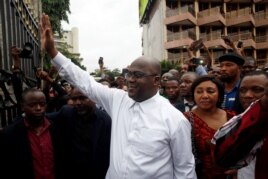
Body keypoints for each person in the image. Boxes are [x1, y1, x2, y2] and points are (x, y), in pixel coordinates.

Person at [41, 14, 196, 179]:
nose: (130, 79)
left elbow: (184, 170)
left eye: (137, 75)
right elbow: (85, 82)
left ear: (156, 80)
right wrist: (52, 51)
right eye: (129, 73)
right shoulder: (118, 100)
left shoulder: (175, 120)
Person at [212, 75, 268, 179]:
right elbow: (223, 157)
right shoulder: (237, 121)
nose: (247, 95)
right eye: (242, 90)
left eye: (257, 90)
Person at [48, 87, 111, 179]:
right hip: (70, 172)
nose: (78, 102)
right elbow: (43, 117)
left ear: (93, 98)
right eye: (74, 99)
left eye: (82, 98)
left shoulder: (105, 121)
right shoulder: (67, 113)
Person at [183, 75, 236, 179]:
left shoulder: (232, 118)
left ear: (220, 94)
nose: (204, 96)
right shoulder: (185, 119)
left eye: (210, 91)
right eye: (199, 92)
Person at [0, 88, 56, 179]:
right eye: (32, 105)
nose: (38, 108)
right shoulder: (10, 134)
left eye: (42, 104)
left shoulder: (56, 129)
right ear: (22, 106)